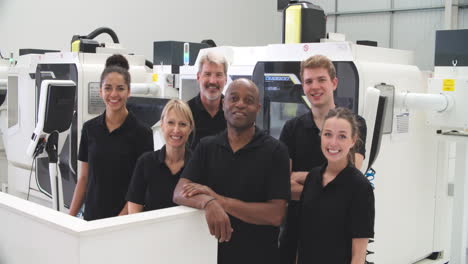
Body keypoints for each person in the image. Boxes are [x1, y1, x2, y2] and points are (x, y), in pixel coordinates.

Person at [173, 79, 290, 264]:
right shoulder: (207, 147)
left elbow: (276, 214)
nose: (240, 104)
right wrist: (209, 203)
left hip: (260, 257)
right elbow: (179, 192)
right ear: (223, 103)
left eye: (249, 100)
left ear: (258, 107)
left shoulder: (276, 152)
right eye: (233, 98)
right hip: (211, 256)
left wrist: (221, 202)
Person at [279, 54, 367, 263]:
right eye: (308, 81)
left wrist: (302, 177)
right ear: (303, 87)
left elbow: (350, 178)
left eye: (321, 80)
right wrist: (328, 185)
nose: (314, 86)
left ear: (334, 83)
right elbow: (283, 184)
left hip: (339, 229)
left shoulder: (356, 124)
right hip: (297, 228)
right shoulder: (292, 128)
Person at [69, 54, 154, 220]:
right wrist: (69, 218)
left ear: (128, 91)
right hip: (91, 218)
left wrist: (118, 221)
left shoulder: (142, 133)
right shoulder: (89, 129)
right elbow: (84, 178)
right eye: (108, 88)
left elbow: (140, 188)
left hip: (123, 221)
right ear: (100, 91)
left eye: (120, 88)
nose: (113, 94)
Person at [298, 107, 375, 264]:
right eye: (328, 134)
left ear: (353, 141)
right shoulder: (313, 178)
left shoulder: (360, 187)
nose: (333, 143)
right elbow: (304, 238)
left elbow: (358, 257)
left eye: (342, 136)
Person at [126, 99, 194, 213]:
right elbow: (133, 211)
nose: (176, 130)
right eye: (170, 123)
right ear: (162, 125)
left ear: (190, 129)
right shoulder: (145, 162)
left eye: (182, 124)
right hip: (150, 230)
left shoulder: (198, 164)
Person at [187, 51, 228, 150]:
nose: (213, 81)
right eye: (207, 74)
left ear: (226, 79)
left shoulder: (233, 111)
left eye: (218, 75)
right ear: (198, 77)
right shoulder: (185, 112)